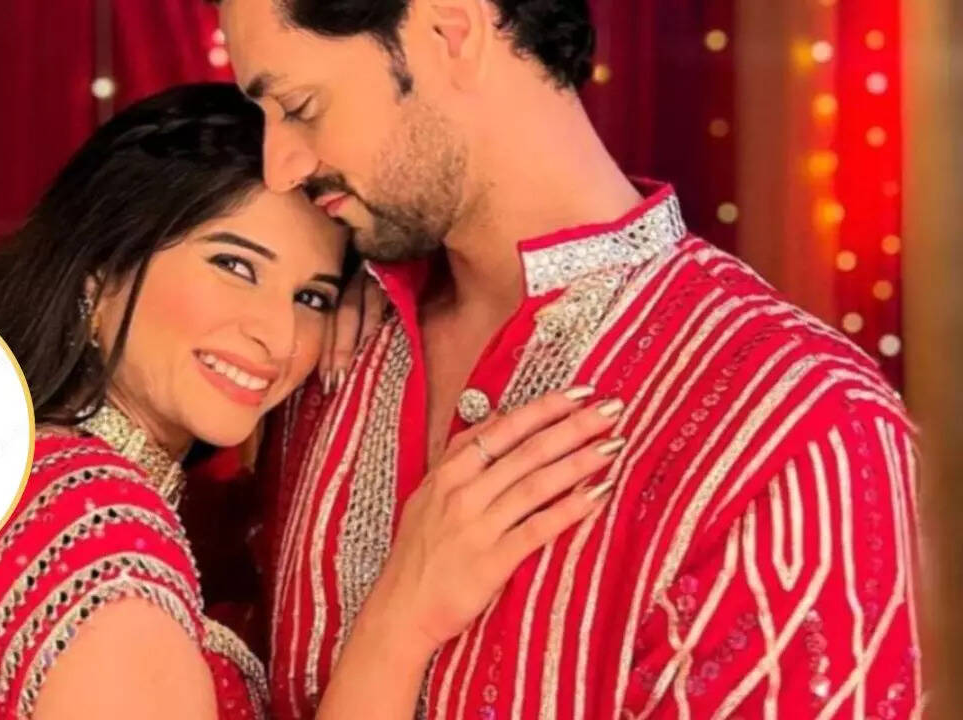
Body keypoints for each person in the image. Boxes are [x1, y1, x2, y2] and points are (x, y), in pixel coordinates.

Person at [0, 83, 623, 720]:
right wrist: (401, 618)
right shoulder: (94, 529)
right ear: (99, 273)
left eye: (311, 296)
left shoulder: (10, 478)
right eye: (234, 265)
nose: (278, 335)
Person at [214, 0, 923, 717]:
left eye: (300, 107)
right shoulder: (322, 355)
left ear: (451, 31)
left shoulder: (802, 430)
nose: (280, 168)